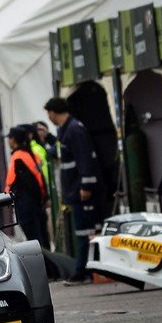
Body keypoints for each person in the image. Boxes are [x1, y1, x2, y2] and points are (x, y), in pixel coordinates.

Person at [45, 97, 103, 284]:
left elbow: (85, 159)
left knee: (85, 232)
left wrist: (86, 186)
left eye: (49, 113)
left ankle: (84, 271)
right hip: (74, 191)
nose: (49, 117)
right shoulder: (66, 130)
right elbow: (60, 153)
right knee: (84, 232)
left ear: (53, 112)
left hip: (81, 191)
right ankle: (85, 269)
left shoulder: (75, 130)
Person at [5, 127, 50, 250]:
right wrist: (43, 198)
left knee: (35, 242)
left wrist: (7, 195)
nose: (8, 141)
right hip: (37, 204)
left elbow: (16, 181)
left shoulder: (18, 157)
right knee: (43, 240)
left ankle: (45, 267)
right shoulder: (31, 154)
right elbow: (40, 178)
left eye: (9, 138)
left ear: (13, 140)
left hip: (26, 205)